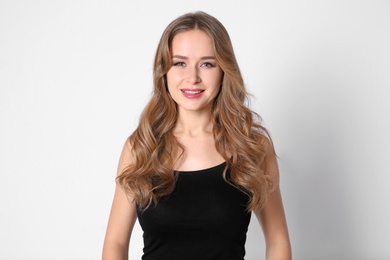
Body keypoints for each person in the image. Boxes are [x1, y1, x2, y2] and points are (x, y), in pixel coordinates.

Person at [102, 11, 291, 260]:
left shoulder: (252, 147)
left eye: (207, 64)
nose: (193, 78)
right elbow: (115, 243)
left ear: (224, 70)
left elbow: (278, 240)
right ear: (164, 71)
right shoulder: (141, 147)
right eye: (180, 63)